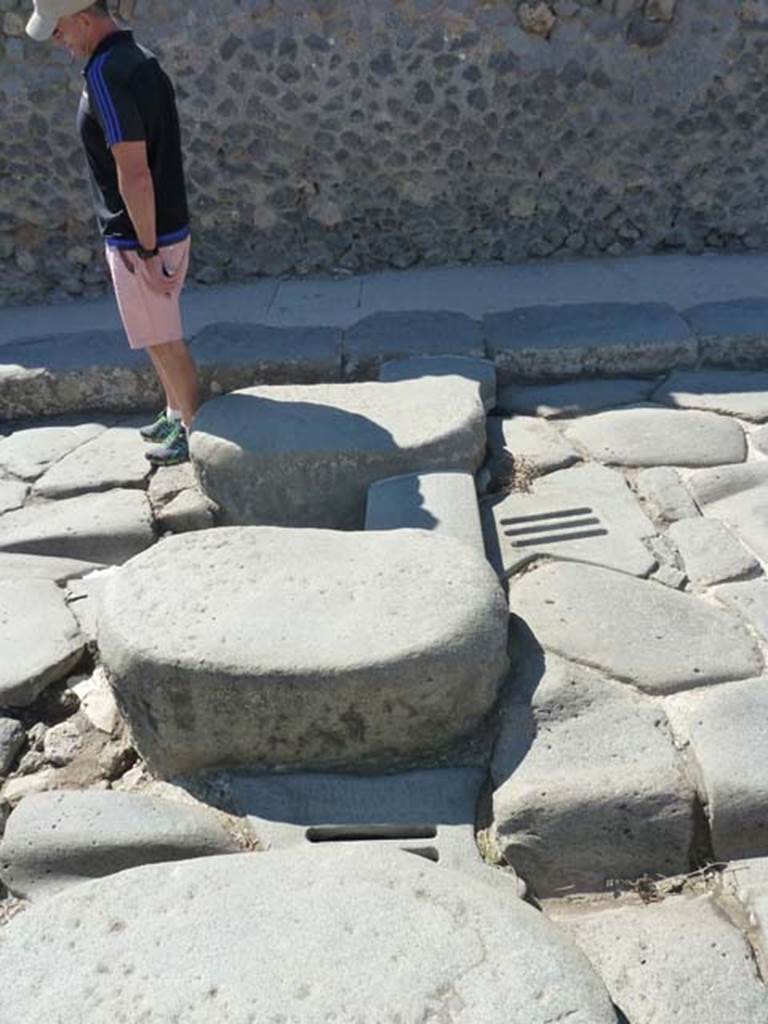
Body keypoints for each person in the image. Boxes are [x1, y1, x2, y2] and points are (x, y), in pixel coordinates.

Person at [26, 0, 198, 465]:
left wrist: (145, 246)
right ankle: (173, 408)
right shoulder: (139, 58)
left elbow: (134, 172)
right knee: (152, 332)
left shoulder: (104, 72)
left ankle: (192, 429)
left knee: (164, 337)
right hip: (161, 224)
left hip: (141, 235)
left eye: (59, 30)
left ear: (84, 19)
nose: (57, 42)